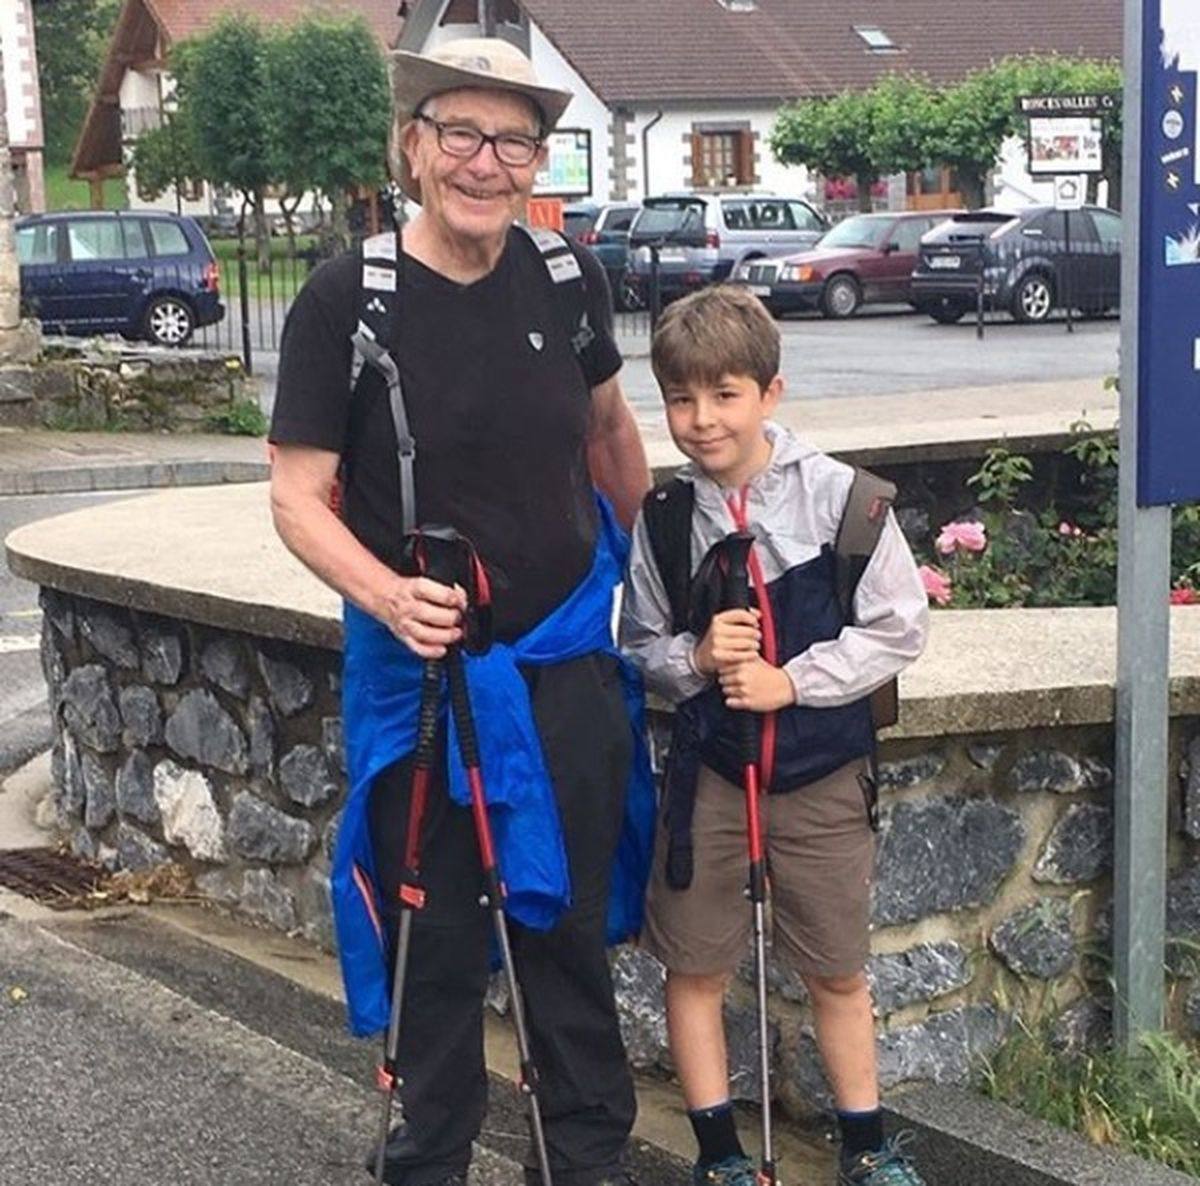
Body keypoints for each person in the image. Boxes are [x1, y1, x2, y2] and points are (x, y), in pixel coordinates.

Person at [268, 37, 653, 1186]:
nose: (487, 163)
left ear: (538, 157)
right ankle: (427, 1161)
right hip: (429, 680)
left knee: (569, 936)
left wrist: (646, 577)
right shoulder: (352, 295)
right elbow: (295, 496)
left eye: (514, 141)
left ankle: (583, 1163)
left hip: (564, 664)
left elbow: (610, 436)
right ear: (414, 148)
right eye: (463, 136)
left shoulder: (566, 273)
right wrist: (388, 594)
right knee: (434, 946)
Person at [619, 285, 930, 1186]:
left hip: (821, 772)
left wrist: (794, 680)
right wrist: (697, 656)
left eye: (725, 395)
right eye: (681, 398)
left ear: (770, 394)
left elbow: (899, 627)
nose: (702, 419)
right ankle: (718, 1153)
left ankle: (866, 1145)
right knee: (695, 963)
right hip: (711, 776)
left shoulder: (847, 503)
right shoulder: (668, 522)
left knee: (836, 968)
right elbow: (638, 648)